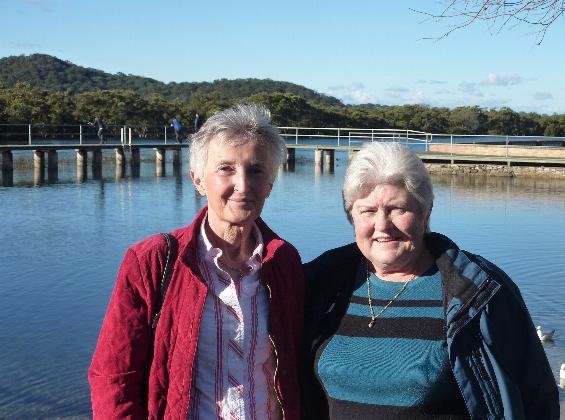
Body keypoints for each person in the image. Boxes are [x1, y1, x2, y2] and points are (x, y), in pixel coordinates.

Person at [301, 142, 559, 419]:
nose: (382, 225)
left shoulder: (477, 289)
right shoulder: (323, 285)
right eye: (368, 211)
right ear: (351, 216)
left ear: (426, 213)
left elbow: (536, 398)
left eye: (398, 209)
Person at [89, 104, 304, 419]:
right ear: (198, 180)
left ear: (270, 184)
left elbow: (294, 367)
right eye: (226, 168)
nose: (242, 185)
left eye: (256, 170)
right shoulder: (152, 261)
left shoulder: (284, 262)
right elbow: (114, 377)